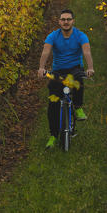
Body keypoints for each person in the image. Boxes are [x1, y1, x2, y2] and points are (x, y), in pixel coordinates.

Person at [38, 9, 95, 149]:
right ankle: (53, 135)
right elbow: (46, 51)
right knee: (53, 103)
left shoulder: (80, 35)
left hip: (75, 68)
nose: (66, 22)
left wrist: (90, 68)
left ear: (73, 21)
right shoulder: (53, 36)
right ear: (59, 22)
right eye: (63, 19)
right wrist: (41, 68)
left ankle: (78, 107)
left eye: (68, 19)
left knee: (78, 81)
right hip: (58, 70)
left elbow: (86, 51)